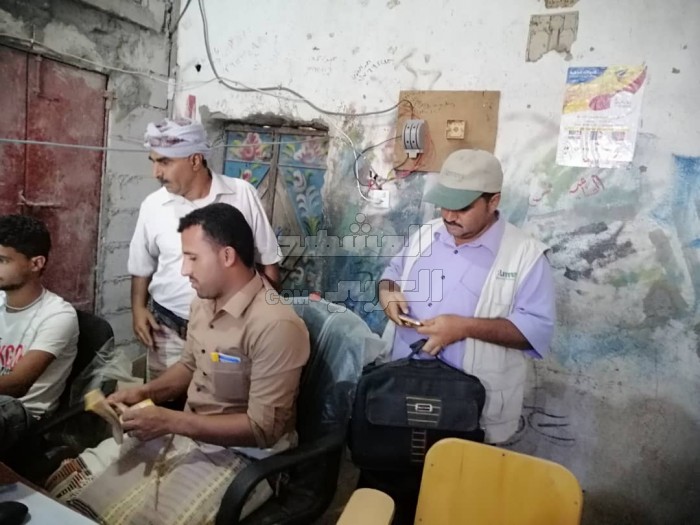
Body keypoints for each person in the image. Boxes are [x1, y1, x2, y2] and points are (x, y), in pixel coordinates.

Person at [47, 203, 310, 525]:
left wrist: (171, 422)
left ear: (227, 256)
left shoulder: (275, 325)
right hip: (190, 431)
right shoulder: (203, 302)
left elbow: (263, 430)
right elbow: (189, 366)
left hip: (246, 455)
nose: (184, 270)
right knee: (68, 489)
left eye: (192, 258)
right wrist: (146, 392)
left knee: (136, 519)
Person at [379, 149, 556, 445]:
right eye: (444, 205)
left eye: (462, 207)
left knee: (457, 471)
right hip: (401, 386)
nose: (449, 216)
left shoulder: (526, 256)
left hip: (468, 405)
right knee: (392, 465)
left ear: (493, 201)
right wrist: (387, 292)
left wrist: (463, 328)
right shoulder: (427, 233)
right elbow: (393, 272)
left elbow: (535, 331)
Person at [129, 118, 282, 380]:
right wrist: (138, 309)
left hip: (232, 330)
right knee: (164, 398)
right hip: (168, 329)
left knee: (221, 398)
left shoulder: (241, 195)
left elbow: (268, 262)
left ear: (195, 160)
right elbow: (141, 265)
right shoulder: (153, 205)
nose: (156, 173)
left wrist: (265, 317)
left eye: (164, 162)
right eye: (153, 161)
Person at [0, 214, 78, 453]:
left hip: (22, 417)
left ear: (36, 264)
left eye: (3, 260)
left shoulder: (58, 315)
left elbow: (18, 385)